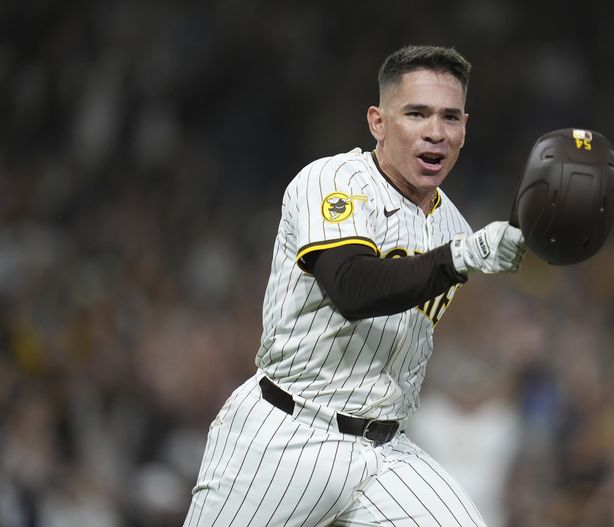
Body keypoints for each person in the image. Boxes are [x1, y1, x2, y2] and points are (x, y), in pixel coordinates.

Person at [183, 44, 526, 527]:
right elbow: (352, 288)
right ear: (378, 122)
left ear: (465, 128)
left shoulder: (453, 223)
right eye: (416, 113)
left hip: (387, 452)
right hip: (287, 435)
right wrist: (461, 257)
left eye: (450, 117)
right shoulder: (331, 180)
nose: (435, 131)